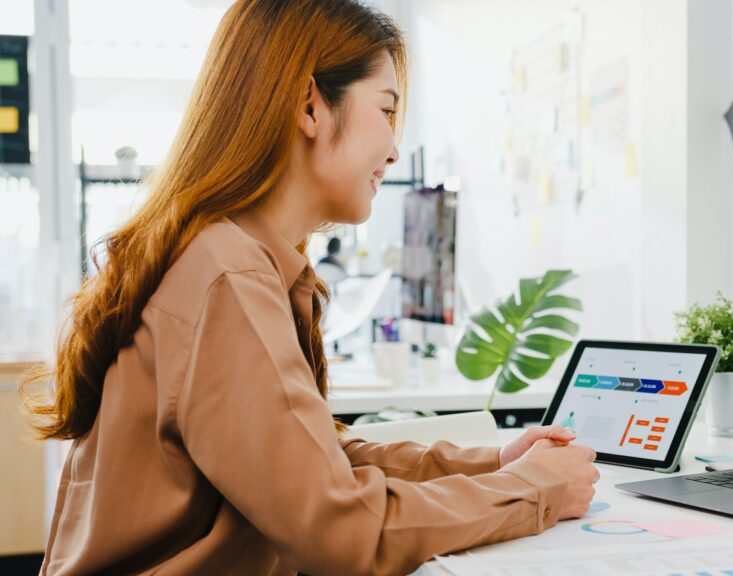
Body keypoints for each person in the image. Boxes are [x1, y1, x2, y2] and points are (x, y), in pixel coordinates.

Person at [21, 2, 597, 574]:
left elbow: (309, 458)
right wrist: (529, 491)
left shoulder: (225, 256)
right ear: (309, 106)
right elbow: (337, 529)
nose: (395, 149)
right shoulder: (227, 273)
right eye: (387, 110)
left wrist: (495, 464)